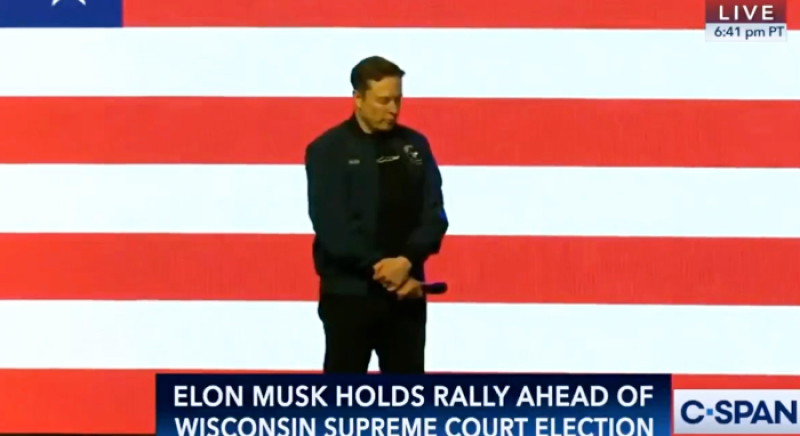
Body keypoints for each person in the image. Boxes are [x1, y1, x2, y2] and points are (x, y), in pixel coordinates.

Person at [304, 55, 449, 374]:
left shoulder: (414, 146)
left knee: (408, 397)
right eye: (383, 101)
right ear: (358, 98)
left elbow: (434, 215)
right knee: (342, 398)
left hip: (407, 295)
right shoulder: (327, 150)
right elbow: (332, 227)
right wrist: (383, 269)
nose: (393, 109)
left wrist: (406, 262)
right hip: (349, 296)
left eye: (398, 99)